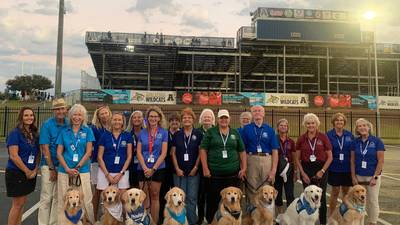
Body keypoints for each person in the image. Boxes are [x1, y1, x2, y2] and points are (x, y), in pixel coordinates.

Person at [199, 109, 246, 223]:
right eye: (221, 118)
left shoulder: (235, 133)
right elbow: (203, 150)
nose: (224, 120)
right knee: (213, 201)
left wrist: (244, 168)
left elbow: (242, 151)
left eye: (226, 118)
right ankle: (211, 221)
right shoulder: (211, 132)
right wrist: (205, 168)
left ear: (229, 119)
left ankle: (232, 221)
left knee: (233, 201)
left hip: (232, 174)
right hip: (215, 175)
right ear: (218, 119)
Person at [56, 104, 95, 224]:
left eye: (79, 115)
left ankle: (89, 222)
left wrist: (77, 167)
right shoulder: (64, 131)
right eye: (74, 114)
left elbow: (88, 152)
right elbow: (59, 152)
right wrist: (67, 169)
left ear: (83, 117)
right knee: (65, 200)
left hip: (82, 171)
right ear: (70, 116)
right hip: (65, 171)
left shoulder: (87, 131)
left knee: (86, 200)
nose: (77, 117)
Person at [295, 113, 332, 225]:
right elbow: (297, 158)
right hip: (306, 169)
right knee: (308, 197)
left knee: (321, 198)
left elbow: (330, 157)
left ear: (317, 124)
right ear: (305, 124)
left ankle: (322, 222)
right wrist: (302, 173)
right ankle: (308, 222)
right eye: (308, 123)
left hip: (321, 169)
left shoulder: (323, 137)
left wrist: (322, 171)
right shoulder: (301, 138)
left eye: (313, 123)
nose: (311, 125)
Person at [5, 107, 40, 225]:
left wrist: (35, 169)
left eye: (31, 115)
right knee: (17, 204)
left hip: (30, 172)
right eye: (26, 115)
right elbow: (14, 156)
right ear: (21, 117)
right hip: (17, 172)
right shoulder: (15, 133)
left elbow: (37, 153)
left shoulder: (34, 133)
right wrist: (26, 171)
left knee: (22, 203)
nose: (29, 117)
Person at [38, 99, 69, 225]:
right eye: (57, 109)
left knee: (58, 197)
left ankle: (54, 223)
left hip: (63, 165)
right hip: (49, 165)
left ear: (66, 110)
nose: (60, 111)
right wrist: (51, 168)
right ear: (54, 111)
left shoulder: (69, 123)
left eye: (62, 108)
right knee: (47, 197)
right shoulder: (47, 124)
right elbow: (45, 148)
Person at [240, 105, 279, 205]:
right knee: (252, 188)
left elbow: (275, 151)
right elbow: (242, 149)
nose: (257, 112)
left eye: (259, 111)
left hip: (266, 159)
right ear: (252, 114)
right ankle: (253, 215)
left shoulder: (270, 130)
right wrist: (243, 167)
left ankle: (267, 216)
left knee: (267, 188)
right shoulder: (246, 129)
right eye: (255, 111)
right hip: (251, 159)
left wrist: (273, 170)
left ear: (263, 113)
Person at [136, 106, 168, 224]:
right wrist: (145, 168)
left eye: (155, 116)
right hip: (142, 168)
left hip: (157, 168)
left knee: (155, 196)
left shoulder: (164, 133)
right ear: (147, 118)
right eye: (151, 116)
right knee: (143, 197)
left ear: (159, 118)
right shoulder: (142, 132)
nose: (153, 118)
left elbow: (164, 153)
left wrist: (153, 169)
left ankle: (154, 222)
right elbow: (138, 152)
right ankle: (145, 222)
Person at [171, 108, 203, 225]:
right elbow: (173, 153)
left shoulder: (198, 134)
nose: (187, 119)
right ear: (181, 120)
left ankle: (192, 221)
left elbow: (201, 153)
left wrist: (195, 168)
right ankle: (180, 221)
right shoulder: (177, 134)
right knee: (179, 199)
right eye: (184, 118)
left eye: (189, 117)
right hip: (179, 172)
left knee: (192, 198)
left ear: (193, 119)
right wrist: (177, 169)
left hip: (193, 172)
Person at [351, 118, 384, 225]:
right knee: (358, 202)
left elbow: (381, 161)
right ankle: (359, 222)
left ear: (369, 127)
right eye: (359, 126)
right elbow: (352, 161)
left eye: (364, 125)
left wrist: (375, 177)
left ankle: (372, 222)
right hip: (359, 176)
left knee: (372, 201)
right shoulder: (355, 142)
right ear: (357, 129)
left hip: (372, 176)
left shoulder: (377, 141)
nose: (362, 127)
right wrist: (353, 177)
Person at [326, 113, 354, 216]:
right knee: (335, 192)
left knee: (346, 194)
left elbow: (353, 152)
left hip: (347, 168)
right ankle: (332, 215)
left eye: (341, 120)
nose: (339, 122)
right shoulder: (329, 135)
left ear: (344, 122)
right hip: (334, 167)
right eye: (337, 120)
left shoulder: (349, 135)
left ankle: (343, 214)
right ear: (333, 122)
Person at [97, 112, 133, 192]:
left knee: (122, 198)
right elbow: (99, 157)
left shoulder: (127, 136)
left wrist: (121, 173)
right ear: (111, 121)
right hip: (105, 171)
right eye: (115, 119)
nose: (117, 122)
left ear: (123, 122)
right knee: (105, 200)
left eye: (119, 120)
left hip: (122, 171)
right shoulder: (105, 135)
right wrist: (107, 175)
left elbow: (129, 156)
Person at [90, 105, 112, 220]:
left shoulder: (114, 126)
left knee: (109, 192)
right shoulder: (95, 128)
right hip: (96, 163)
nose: (104, 115)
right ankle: (93, 217)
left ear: (109, 113)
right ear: (98, 116)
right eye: (101, 113)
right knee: (97, 191)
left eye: (106, 113)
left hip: (110, 163)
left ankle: (107, 217)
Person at [159, 112, 181, 224]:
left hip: (178, 168)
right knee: (164, 193)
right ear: (169, 122)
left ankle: (177, 217)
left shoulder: (182, 134)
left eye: (176, 120)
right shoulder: (164, 133)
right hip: (165, 167)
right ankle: (162, 217)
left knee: (177, 195)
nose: (174, 122)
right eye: (172, 120)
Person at [274, 118, 296, 214]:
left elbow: (294, 157)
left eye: (285, 125)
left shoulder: (291, 141)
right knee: (277, 195)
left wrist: (295, 172)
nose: (283, 127)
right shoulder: (273, 139)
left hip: (288, 171)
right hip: (277, 170)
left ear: (288, 128)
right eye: (281, 125)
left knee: (290, 194)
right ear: (278, 127)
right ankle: (280, 215)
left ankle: (290, 215)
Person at [197, 108, 215, 225]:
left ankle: (210, 218)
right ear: (201, 119)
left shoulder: (216, 131)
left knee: (211, 194)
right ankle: (200, 218)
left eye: (209, 117)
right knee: (200, 194)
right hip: (199, 167)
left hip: (213, 167)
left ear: (213, 119)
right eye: (205, 117)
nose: (207, 118)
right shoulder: (197, 132)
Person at [126, 110, 146, 188]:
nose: (137, 119)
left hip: (143, 165)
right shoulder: (127, 134)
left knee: (141, 189)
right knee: (131, 188)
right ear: (131, 120)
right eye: (134, 117)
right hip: (130, 165)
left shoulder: (147, 133)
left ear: (142, 119)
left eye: (139, 117)